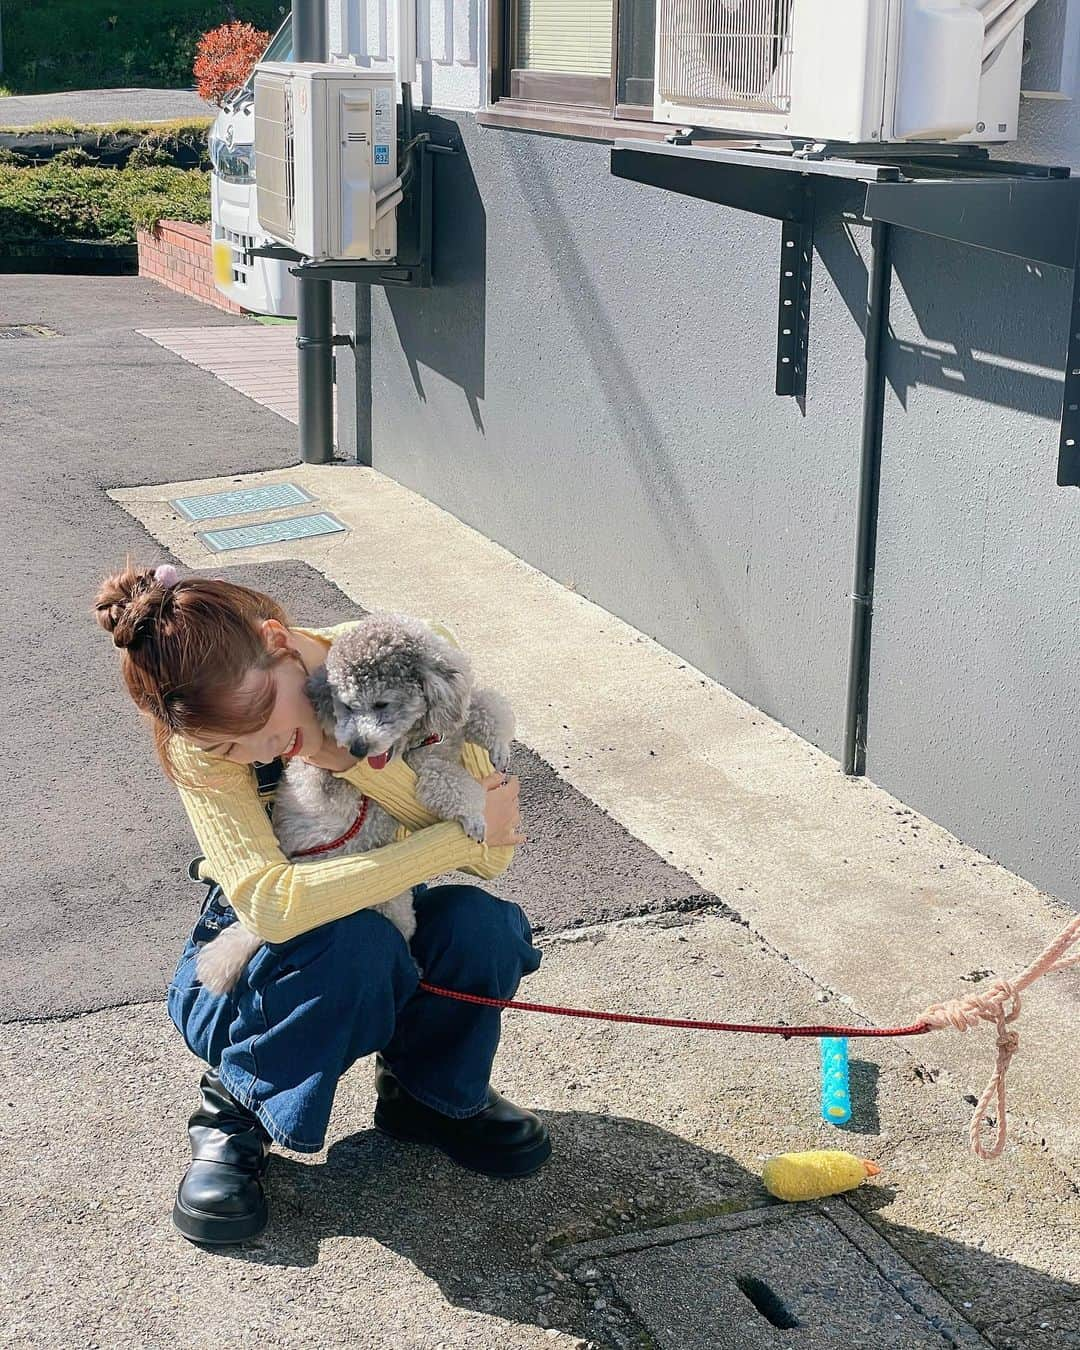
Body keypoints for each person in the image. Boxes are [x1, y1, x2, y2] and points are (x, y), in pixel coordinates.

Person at [95, 562, 549, 1245]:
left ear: (279, 642)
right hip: (263, 942)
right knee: (354, 945)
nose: (257, 748)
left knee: (481, 929)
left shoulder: (406, 658)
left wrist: (368, 763)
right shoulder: (197, 748)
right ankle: (234, 1109)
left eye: (259, 717)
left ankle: (429, 1095)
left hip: (385, 897)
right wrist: (388, 796)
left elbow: (498, 848)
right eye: (228, 745)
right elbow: (273, 906)